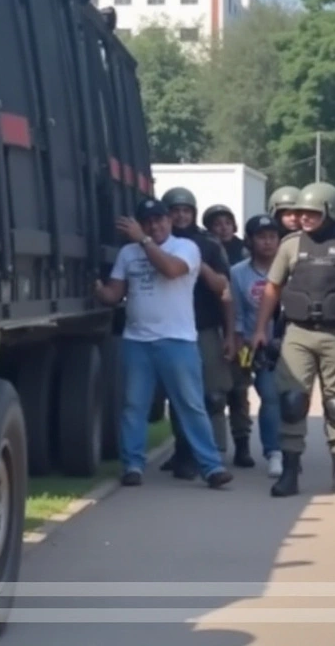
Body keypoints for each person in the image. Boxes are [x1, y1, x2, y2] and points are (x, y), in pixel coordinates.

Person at [93, 198, 233, 489]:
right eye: (148, 222)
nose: (154, 226)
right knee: (134, 406)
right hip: (137, 341)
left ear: (168, 222)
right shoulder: (128, 254)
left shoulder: (186, 248)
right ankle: (132, 465)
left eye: (159, 220)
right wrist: (99, 290)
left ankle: (211, 466)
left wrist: (143, 240)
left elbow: (170, 270)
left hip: (178, 340)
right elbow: (115, 293)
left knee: (191, 405)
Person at [251, 181, 335, 497]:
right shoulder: (291, 245)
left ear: (330, 211)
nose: (304, 218)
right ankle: (290, 473)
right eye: (301, 212)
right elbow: (273, 287)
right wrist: (260, 329)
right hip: (298, 332)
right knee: (292, 402)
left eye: (312, 212)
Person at [159, 187, 238, 479]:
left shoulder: (208, 244)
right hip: (169, 329)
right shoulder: (158, 243)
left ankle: (214, 453)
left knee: (213, 395)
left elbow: (225, 292)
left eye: (186, 210)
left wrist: (229, 334)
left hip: (204, 327)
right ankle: (184, 451)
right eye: (174, 210)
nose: (180, 215)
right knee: (179, 397)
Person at [229, 214, 285, 477]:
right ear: (250, 241)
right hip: (252, 343)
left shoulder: (290, 268)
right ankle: (258, 448)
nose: (267, 242)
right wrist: (240, 342)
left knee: (281, 396)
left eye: (272, 237)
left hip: (285, 342)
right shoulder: (239, 273)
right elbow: (237, 312)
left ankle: (282, 449)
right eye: (261, 237)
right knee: (253, 392)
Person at [203, 203, 255, 468]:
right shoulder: (208, 250)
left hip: (241, 330)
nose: (222, 228)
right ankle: (216, 448)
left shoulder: (244, 252)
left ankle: (243, 444)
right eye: (216, 224)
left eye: (226, 222)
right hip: (214, 327)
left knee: (238, 389)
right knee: (214, 394)